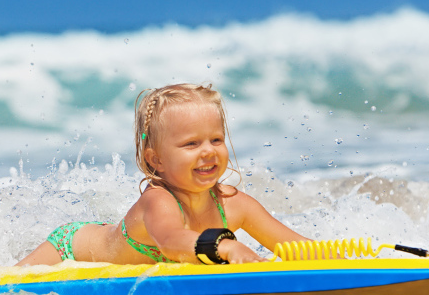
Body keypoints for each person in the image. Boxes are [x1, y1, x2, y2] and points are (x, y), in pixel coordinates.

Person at [17, 83, 312, 266]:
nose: (208, 151)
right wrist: (224, 246)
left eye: (216, 140)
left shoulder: (235, 204)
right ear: (155, 159)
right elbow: (171, 241)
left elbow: (294, 247)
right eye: (191, 144)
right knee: (5, 294)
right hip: (69, 250)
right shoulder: (158, 201)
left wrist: (334, 259)